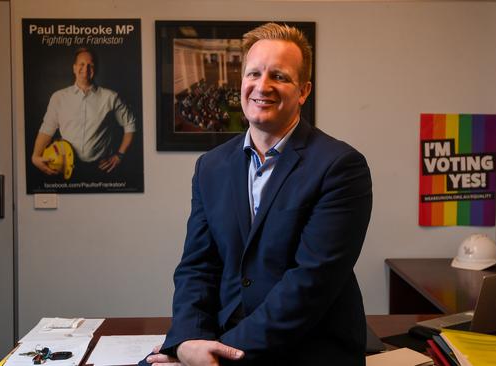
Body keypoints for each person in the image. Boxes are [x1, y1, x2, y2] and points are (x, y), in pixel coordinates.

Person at [143, 23, 372, 366]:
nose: (262, 86)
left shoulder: (340, 166)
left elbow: (310, 284)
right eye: (254, 73)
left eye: (279, 76)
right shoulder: (211, 166)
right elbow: (198, 266)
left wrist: (219, 354)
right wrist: (190, 340)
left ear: (304, 91)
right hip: (223, 340)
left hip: (309, 350)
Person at [31, 48, 135, 179]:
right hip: (66, 168)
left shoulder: (111, 97)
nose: (85, 69)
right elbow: (47, 129)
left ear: (95, 69)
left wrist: (120, 155)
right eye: (81, 64)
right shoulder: (58, 97)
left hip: (102, 170)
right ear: (74, 68)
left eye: (90, 65)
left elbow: (130, 124)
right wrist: (35, 156)